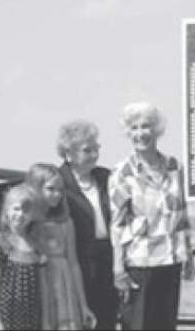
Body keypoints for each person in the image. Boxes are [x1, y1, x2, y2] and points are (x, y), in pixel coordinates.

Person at [109, 102, 195, 330]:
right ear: (128, 133)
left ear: (156, 130)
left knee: (166, 326)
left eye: (145, 126)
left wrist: (188, 255)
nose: (140, 134)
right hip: (139, 262)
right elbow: (117, 225)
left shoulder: (174, 166)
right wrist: (118, 268)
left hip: (170, 260)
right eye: (134, 128)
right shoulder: (121, 173)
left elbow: (182, 216)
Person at [56, 119, 118, 330]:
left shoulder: (105, 177)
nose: (94, 155)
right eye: (87, 150)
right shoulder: (58, 182)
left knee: (107, 320)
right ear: (68, 153)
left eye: (96, 149)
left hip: (107, 259)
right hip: (76, 260)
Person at [25, 163, 96, 330]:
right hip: (38, 285)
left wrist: (83, 304)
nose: (57, 194)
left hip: (63, 287)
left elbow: (73, 262)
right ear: (35, 188)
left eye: (61, 189)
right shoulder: (28, 222)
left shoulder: (66, 222)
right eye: (50, 189)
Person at [0, 184, 45, 330]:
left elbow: (43, 287)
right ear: (7, 211)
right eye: (16, 208)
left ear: (32, 216)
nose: (20, 214)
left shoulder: (37, 247)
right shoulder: (0, 245)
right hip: (8, 316)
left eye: (26, 210)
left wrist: (46, 320)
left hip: (33, 315)